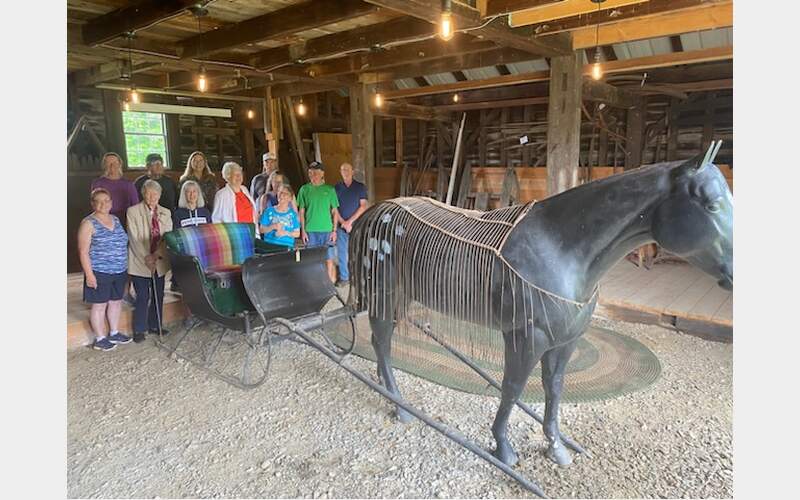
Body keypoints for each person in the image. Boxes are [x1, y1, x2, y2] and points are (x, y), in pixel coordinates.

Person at [77, 188, 132, 351]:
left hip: (119, 270)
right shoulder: (88, 223)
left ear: (111, 203)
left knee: (115, 302)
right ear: (93, 204)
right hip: (99, 272)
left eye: (106, 200)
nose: (103, 204)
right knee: (99, 305)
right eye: (99, 201)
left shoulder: (115, 218)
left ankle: (114, 332)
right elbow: (83, 251)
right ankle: (100, 338)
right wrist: (89, 275)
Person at [127, 180, 173, 343]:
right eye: (149, 193)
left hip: (158, 260)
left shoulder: (166, 213)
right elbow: (134, 237)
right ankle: (139, 329)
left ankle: (156, 325)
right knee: (142, 295)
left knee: (158, 294)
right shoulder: (132, 212)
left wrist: (156, 256)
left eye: (156, 194)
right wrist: (147, 257)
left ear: (160, 195)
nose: (152, 196)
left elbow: (167, 237)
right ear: (143, 194)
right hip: (140, 260)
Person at [297, 161, 340, 283]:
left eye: (315, 172)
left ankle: (331, 286)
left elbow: (335, 211)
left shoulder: (330, 190)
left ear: (322, 174)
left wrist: (334, 231)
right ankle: (315, 285)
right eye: (310, 173)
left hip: (327, 230)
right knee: (311, 260)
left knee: (329, 259)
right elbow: (301, 212)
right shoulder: (304, 189)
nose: (313, 175)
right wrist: (303, 231)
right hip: (311, 231)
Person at [334, 162, 368, 287]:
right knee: (342, 253)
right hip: (341, 226)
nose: (345, 172)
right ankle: (345, 277)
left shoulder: (360, 187)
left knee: (358, 251)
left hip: (357, 225)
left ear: (353, 171)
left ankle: (359, 276)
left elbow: (363, 206)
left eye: (347, 169)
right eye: (343, 170)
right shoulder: (336, 187)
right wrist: (343, 222)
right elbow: (334, 208)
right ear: (340, 172)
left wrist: (350, 222)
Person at [91, 152, 139, 228]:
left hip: (125, 219)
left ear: (119, 164)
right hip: (103, 219)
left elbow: (135, 205)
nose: (112, 166)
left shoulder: (128, 184)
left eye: (115, 163)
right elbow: (95, 204)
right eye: (108, 163)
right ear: (104, 165)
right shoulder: (98, 183)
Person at [212, 162, 258, 231]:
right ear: (228, 177)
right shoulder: (221, 195)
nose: (239, 177)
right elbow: (216, 219)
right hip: (234, 234)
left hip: (250, 232)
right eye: (235, 175)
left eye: (240, 174)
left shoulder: (244, 189)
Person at [259, 185, 301, 252]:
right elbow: (261, 230)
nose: (281, 195)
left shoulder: (293, 215)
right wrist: (272, 227)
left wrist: (285, 233)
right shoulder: (268, 211)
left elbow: (297, 233)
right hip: (270, 248)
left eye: (285, 193)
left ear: (290, 198)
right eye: (280, 192)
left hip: (286, 249)